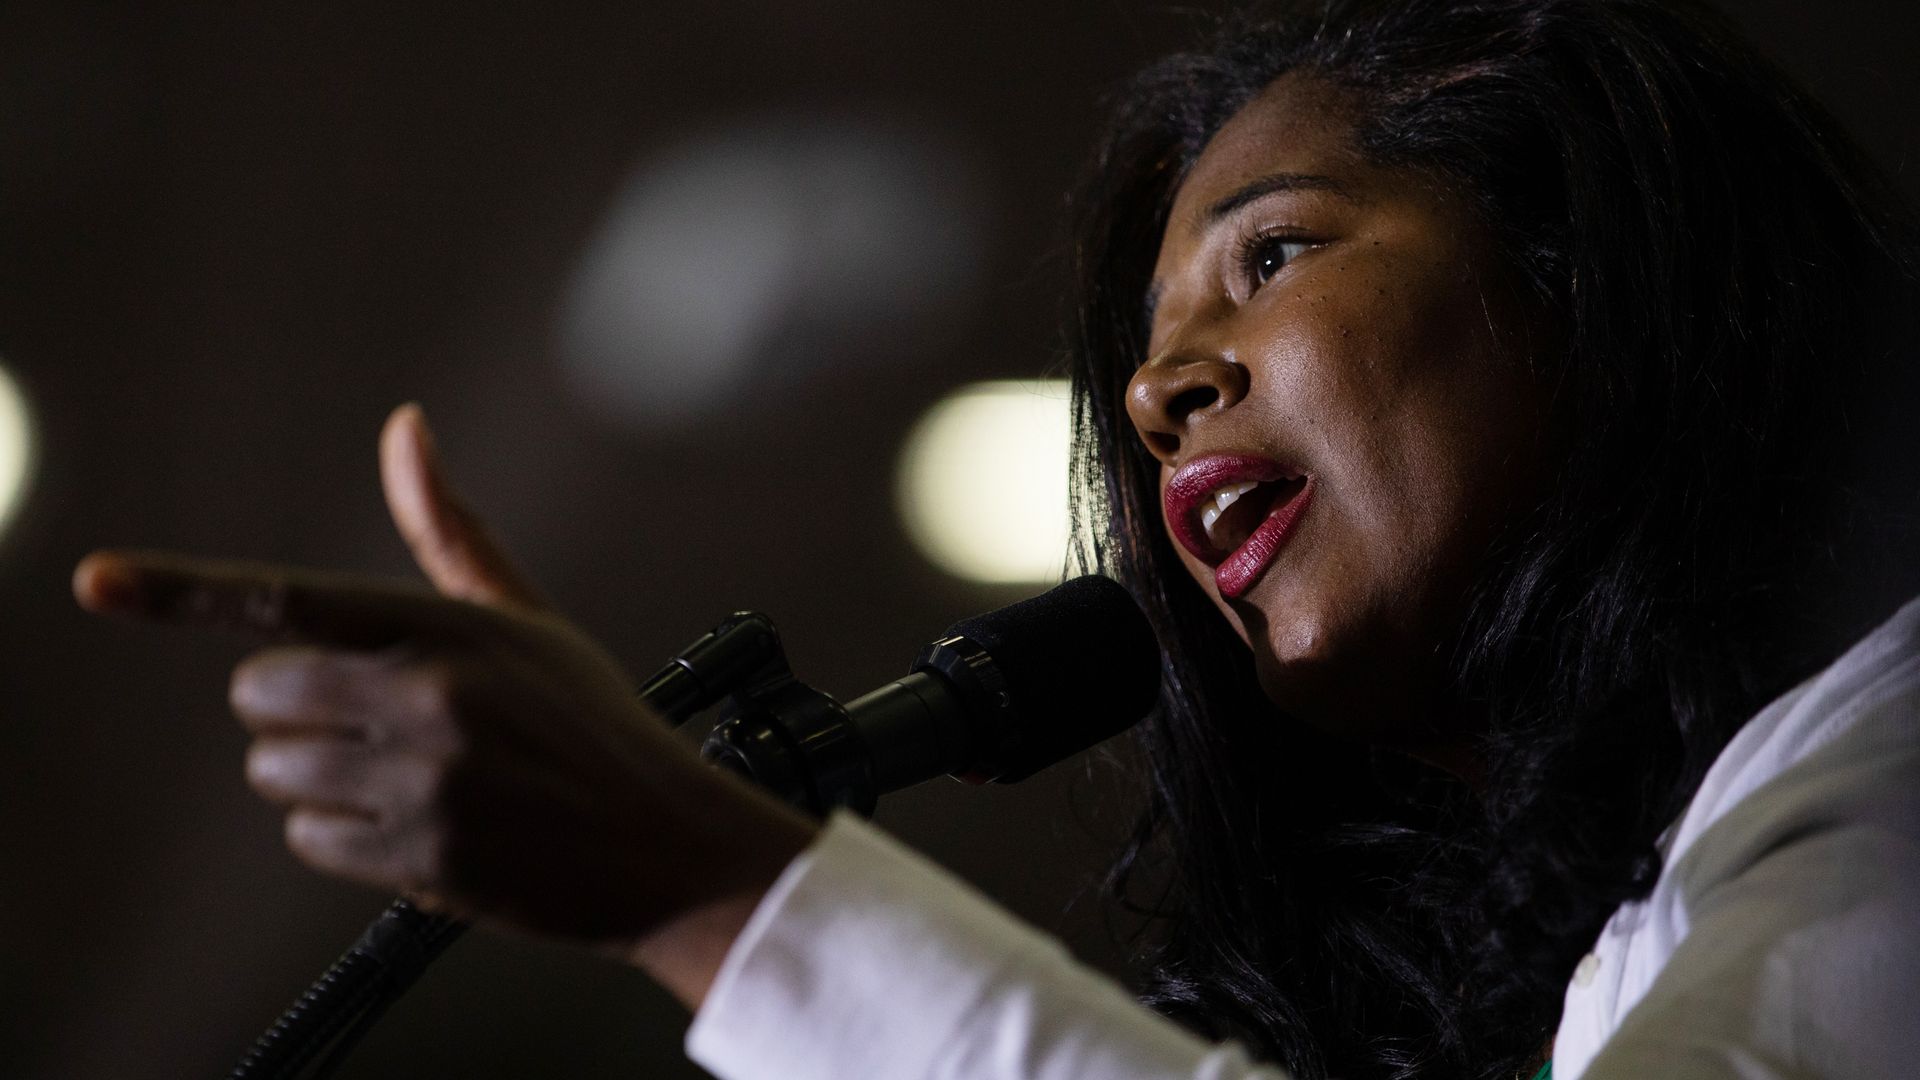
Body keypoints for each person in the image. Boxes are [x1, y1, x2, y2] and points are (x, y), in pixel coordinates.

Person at [72, 0, 1920, 1077]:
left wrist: (709, 892)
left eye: (1270, 257)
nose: (1158, 390)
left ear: (1590, 274)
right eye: (1140, 350)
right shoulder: (1657, 934)